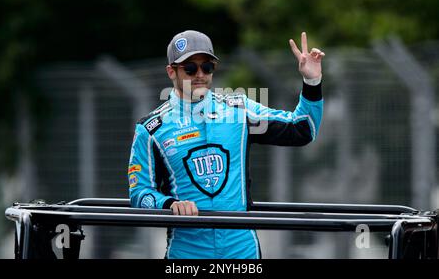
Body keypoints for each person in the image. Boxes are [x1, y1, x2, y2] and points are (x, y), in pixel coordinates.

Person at [127, 30, 324, 259]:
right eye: (190, 68)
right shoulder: (151, 129)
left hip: (242, 251)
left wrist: (312, 81)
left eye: (207, 67)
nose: (200, 74)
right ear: (171, 71)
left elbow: (301, 129)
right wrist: (169, 204)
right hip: (187, 253)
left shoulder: (238, 110)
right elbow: (140, 193)